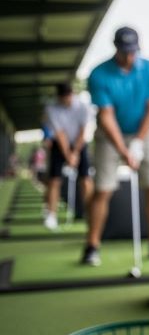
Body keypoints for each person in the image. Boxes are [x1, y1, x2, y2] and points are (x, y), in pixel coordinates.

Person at [83, 27, 149, 266]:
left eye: (133, 51)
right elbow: (106, 117)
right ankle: (92, 245)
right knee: (103, 189)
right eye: (124, 51)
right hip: (109, 136)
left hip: (143, 131)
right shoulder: (99, 74)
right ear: (116, 48)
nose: (130, 57)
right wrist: (124, 150)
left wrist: (138, 142)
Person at [42, 82, 94, 231]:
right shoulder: (51, 109)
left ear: (73, 94)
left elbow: (83, 131)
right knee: (54, 179)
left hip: (80, 142)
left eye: (68, 96)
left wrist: (76, 153)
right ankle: (51, 215)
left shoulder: (84, 107)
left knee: (86, 179)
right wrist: (68, 155)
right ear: (58, 97)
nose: (66, 100)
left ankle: (90, 213)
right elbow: (60, 134)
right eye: (63, 97)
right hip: (60, 145)